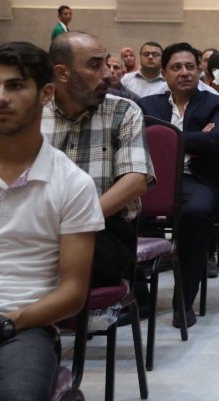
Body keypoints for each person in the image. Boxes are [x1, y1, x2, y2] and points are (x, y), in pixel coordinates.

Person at [0, 42, 103, 400]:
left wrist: (1, 324)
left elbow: (73, 293)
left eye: (15, 86)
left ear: (46, 94)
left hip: (23, 328)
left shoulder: (73, 183)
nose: (0, 98)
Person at [45, 32, 154, 288]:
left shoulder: (123, 110)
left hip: (103, 229)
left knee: (53, 264)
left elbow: (135, 180)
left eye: (106, 63)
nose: (107, 74)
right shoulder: (34, 114)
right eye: (95, 65)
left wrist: (74, 221)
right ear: (62, 73)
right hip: (39, 226)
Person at [137, 43, 219, 328]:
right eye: (176, 67)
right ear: (164, 73)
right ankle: (139, 297)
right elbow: (138, 142)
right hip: (153, 181)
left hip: (196, 180)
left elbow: (213, 142)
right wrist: (194, 138)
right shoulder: (147, 106)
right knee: (116, 211)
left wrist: (164, 138)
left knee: (197, 213)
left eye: (190, 66)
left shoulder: (216, 104)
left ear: (199, 70)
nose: (184, 73)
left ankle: (184, 301)